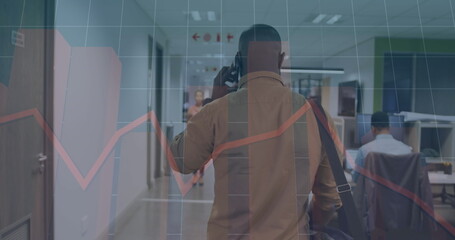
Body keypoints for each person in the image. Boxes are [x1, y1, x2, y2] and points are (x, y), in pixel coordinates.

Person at [170, 24, 342, 239]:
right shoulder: (317, 116)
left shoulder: (217, 111)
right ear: (281, 59)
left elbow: (180, 160)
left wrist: (211, 102)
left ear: (238, 60)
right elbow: (329, 197)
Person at [352, 111, 412, 182]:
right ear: (389, 128)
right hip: (401, 193)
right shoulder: (407, 150)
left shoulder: (364, 151)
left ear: (373, 129)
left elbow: (356, 179)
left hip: (375, 193)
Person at [186, 89, 206, 186]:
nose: (198, 98)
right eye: (197, 96)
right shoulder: (191, 109)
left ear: (202, 97)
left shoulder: (206, 108)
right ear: (194, 97)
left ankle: (201, 176)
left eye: (200, 96)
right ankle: (194, 175)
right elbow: (188, 123)